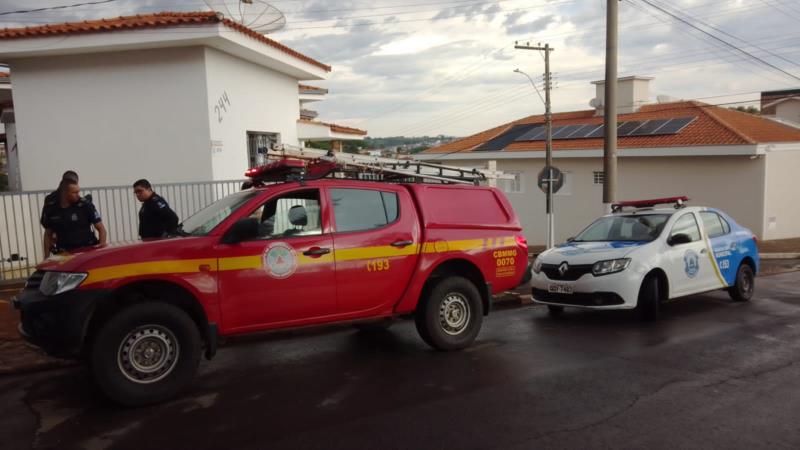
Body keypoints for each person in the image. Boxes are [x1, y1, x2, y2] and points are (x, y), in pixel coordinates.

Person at [42, 179, 107, 256]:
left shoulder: (85, 205)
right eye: (74, 192)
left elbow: (102, 230)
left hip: (87, 252)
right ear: (64, 193)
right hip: (64, 255)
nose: (78, 195)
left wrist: (100, 253)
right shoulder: (52, 209)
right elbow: (47, 235)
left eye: (78, 192)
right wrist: (46, 258)